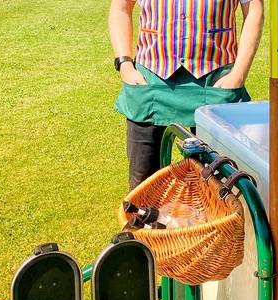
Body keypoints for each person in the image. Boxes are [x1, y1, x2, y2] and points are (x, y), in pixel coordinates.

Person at [109, 0, 264, 190]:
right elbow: (120, 8)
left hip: (215, 80)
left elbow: (254, 10)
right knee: (144, 183)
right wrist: (125, 64)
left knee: (223, 182)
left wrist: (238, 74)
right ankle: (146, 219)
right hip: (150, 80)